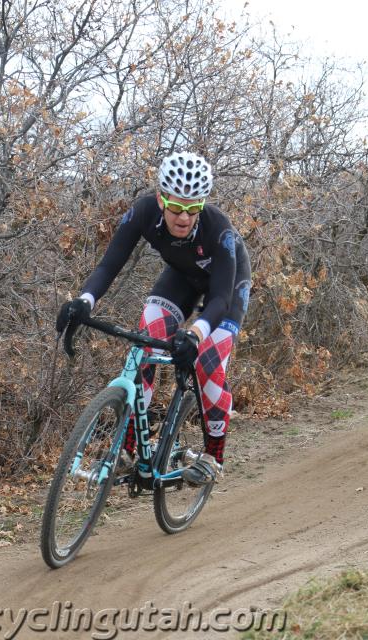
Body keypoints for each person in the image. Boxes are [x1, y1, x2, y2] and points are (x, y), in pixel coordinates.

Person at [56, 151, 251, 486]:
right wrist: (84, 301)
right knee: (146, 339)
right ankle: (131, 446)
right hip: (182, 280)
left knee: (207, 362)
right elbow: (109, 265)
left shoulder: (219, 230)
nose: (184, 217)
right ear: (161, 199)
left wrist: (194, 333)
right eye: (176, 207)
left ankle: (212, 455)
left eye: (193, 209)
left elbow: (219, 298)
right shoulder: (144, 211)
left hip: (227, 290)